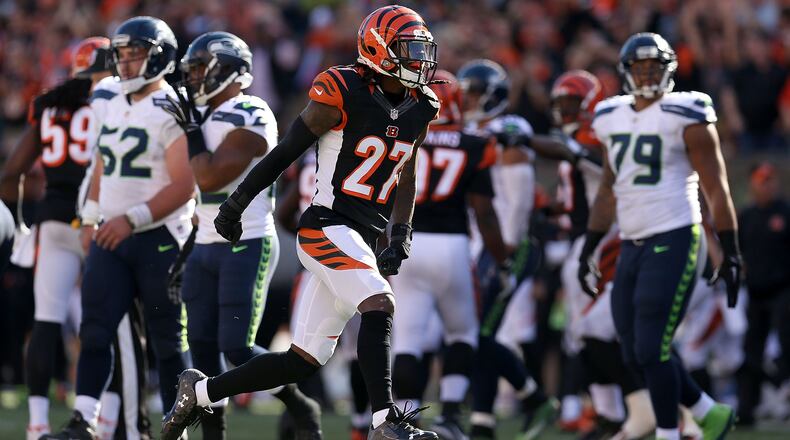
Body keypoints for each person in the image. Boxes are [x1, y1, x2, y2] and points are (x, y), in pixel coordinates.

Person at [162, 5, 440, 440]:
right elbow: (285, 152)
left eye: (423, 49)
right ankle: (385, 421)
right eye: (410, 50)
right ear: (379, 49)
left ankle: (199, 391)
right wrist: (235, 203)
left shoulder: (421, 105)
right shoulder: (342, 89)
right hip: (325, 226)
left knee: (301, 359)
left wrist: (401, 232)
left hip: (361, 237)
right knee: (380, 302)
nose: (421, 60)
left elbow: (406, 172)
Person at [578, 32, 741, 440]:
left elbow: (716, 188)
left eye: (654, 66)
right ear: (626, 72)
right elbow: (606, 189)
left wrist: (731, 251)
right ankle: (707, 410)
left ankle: (669, 434)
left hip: (675, 233)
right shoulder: (610, 116)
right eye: (640, 67)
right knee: (632, 350)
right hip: (631, 241)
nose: (647, 74)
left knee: (652, 347)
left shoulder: (687, 111)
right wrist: (588, 248)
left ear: (669, 69)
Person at [162, 31, 321, 439]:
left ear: (230, 71)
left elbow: (212, 173)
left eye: (199, 69)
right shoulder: (198, 115)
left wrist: (193, 130)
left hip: (245, 241)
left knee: (236, 348)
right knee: (201, 355)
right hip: (203, 245)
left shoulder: (251, 110)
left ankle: (299, 401)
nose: (193, 79)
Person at [44, 16, 194, 439]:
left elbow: (185, 185)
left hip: (161, 236)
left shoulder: (173, 106)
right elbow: (101, 165)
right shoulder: (106, 94)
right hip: (112, 232)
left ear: (160, 56)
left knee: (167, 342)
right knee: (94, 329)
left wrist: (133, 219)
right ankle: (84, 420)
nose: (126, 64)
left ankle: (175, 428)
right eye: (122, 56)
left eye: (136, 55)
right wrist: (90, 216)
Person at [387, 69, 500, 439]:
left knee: (407, 338)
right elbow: (483, 210)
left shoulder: (403, 135)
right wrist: (501, 256)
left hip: (407, 243)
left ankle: (404, 421)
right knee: (462, 333)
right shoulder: (475, 142)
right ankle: (450, 417)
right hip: (452, 245)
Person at [457, 59, 558, 440]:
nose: (469, 100)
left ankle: (532, 397)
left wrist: (506, 252)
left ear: (494, 95)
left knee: (478, 332)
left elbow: (517, 199)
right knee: (481, 333)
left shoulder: (508, 129)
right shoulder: (467, 129)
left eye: (476, 93)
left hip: (506, 244)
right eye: (467, 92)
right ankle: (485, 420)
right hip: (479, 243)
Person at [735, 162, 790, 426]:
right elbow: (739, 249)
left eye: (770, 180)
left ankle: (783, 398)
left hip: (783, 290)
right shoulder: (746, 215)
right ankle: (747, 407)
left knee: (786, 347)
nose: (767, 185)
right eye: (762, 180)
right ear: (753, 184)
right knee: (750, 351)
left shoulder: (785, 212)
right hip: (755, 293)